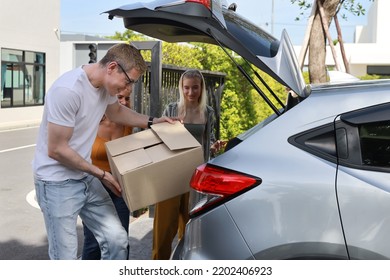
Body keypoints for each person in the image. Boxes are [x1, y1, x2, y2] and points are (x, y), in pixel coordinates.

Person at [32, 43, 174, 260]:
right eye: (128, 81)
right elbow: (57, 149)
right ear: (112, 67)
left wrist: (153, 122)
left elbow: (116, 111)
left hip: (84, 178)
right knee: (65, 258)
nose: (128, 88)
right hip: (56, 183)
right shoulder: (68, 90)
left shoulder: (104, 87)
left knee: (117, 240)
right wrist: (101, 174)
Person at [152, 69, 225, 260]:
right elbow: (159, 139)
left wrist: (213, 146)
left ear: (201, 88)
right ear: (181, 88)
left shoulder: (207, 112)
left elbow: (207, 140)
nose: (191, 92)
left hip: (195, 179)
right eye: (186, 88)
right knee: (163, 232)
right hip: (171, 177)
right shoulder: (172, 110)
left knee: (190, 233)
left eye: (195, 88)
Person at [81, 90, 133, 260]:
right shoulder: (91, 123)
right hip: (95, 186)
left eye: (127, 98)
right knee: (94, 243)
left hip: (119, 188)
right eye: (120, 98)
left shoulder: (127, 124)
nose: (124, 102)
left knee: (121, 241)